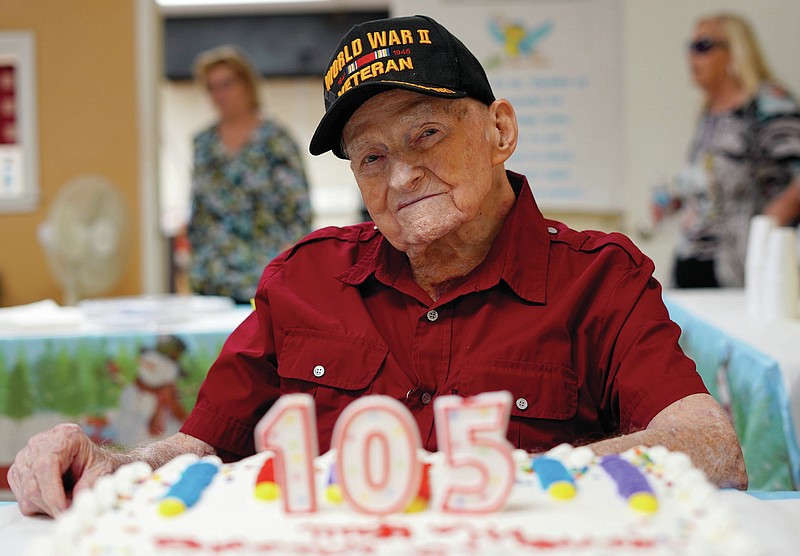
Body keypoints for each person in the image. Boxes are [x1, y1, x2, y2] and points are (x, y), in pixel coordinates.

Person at [8, 15, 747, 517]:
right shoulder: (301, 280)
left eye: (425, 133)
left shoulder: (599, 278)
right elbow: (194, 448)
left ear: (500, 130)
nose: (400, 178)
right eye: (372, 156)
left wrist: (503, 484)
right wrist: (104, 463)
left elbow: (711, 446)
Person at [672, 13, 800, 288]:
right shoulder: (709, 113)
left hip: (746, 271)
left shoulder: (767, 103)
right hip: (696, 261)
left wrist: (771, 222)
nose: (691, 56)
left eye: (703, 46)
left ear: (734, 53)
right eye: (690, 46)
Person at [187, 45, 312, 303]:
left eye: (226, 84)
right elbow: (199, 212)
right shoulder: (203, 143)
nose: (219, 94)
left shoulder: (275, 140)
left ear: (246, 85)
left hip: (263, 274)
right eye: (212, 87)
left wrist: (288, 261)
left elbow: (298, 209)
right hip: (211, 278)